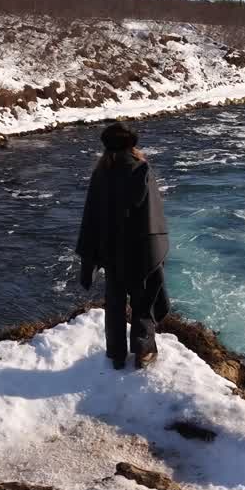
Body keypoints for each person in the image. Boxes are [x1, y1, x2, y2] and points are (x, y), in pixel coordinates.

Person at [76, 122, 170, 370]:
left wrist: (91, 254)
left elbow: (91, 216)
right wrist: (156, 249)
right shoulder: (141, 169)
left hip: (111, 252)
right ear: (132, 146)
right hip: (139, 250)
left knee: (115, 303)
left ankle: (116, 354)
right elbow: (152, 216)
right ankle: (143, 352)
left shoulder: (101, 173)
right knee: (143, 300)